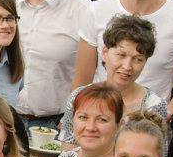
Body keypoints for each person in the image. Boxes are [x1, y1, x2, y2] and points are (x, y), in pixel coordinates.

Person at [5, 0, 94, 136]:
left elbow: (94, 75)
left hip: (54, 124)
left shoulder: (84, 10)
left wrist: (71, 120)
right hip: (3, 119)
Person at [56, 15, 167, 145]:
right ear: (104, 53)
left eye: (138, 59)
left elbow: (157, 153)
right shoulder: (79, 96)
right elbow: (67, 146)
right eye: (121, 55)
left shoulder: (153, 106)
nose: (127, 66)